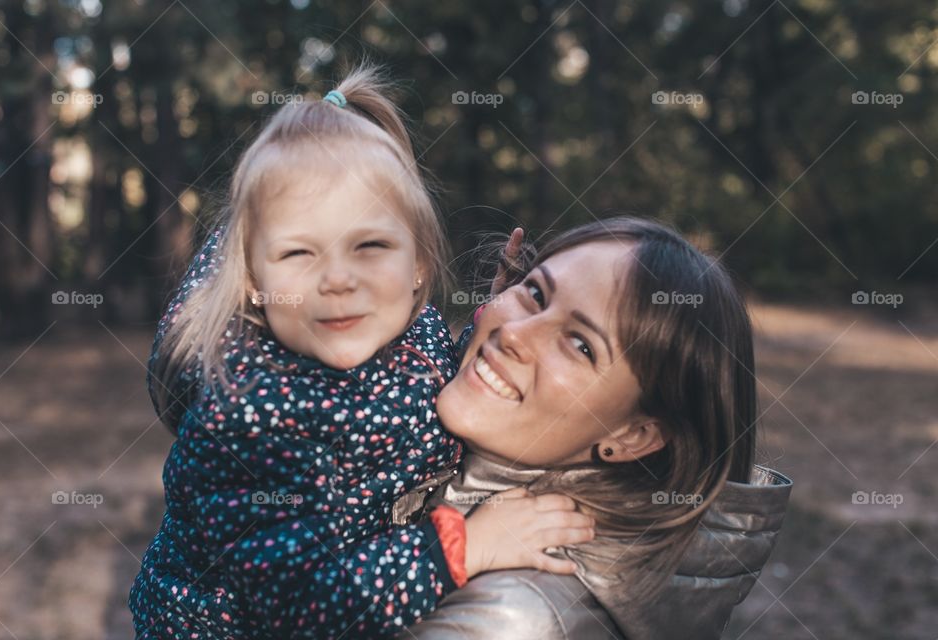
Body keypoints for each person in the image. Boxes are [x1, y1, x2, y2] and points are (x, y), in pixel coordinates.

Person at [128, 65, 594, 640]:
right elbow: (300, 604)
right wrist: (464, 547)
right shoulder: (247, 415)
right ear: (252, 278)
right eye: (300, 253)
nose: (339, 280)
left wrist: (498, 323)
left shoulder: (413, 333)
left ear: (419, 265)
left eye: (370, 246)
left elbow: (429, 385)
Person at [400, 217, 793, 639]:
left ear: (632, 436)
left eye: (581, 345)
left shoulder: (513, 619)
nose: (513, 333)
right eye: (535, 293)